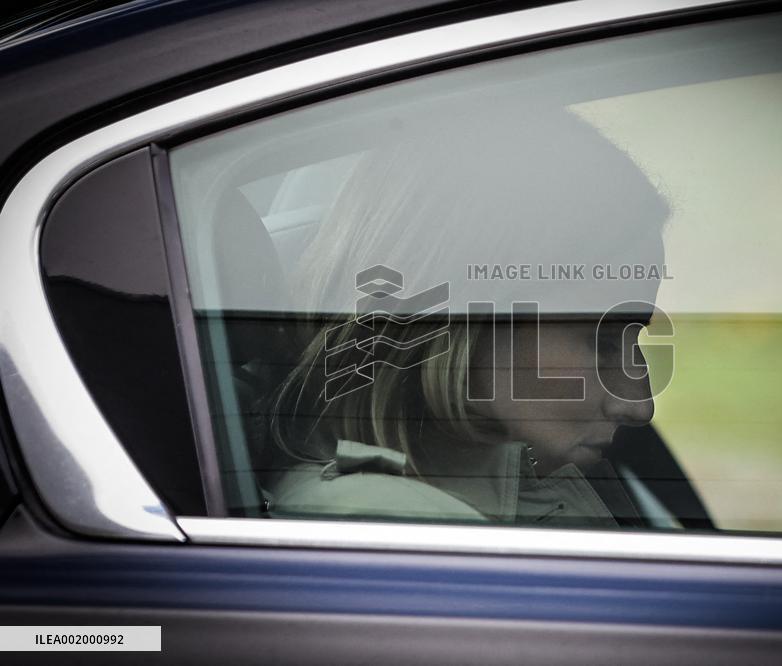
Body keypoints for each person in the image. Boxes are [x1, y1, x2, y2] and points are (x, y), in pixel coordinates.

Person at [266, 104, 670, 527]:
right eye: (601, 342)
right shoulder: (396, 526)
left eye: (633, 342)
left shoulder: (517, 491)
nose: (639, 405)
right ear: (463, 318)